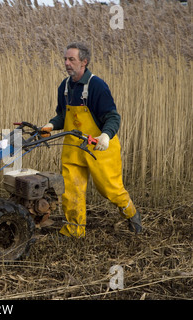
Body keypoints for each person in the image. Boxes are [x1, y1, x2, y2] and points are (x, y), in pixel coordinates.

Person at [41, 42, 142, 238]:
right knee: (71, 191)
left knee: (110, 190)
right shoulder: (65, 86)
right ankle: (74, 231)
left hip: (100, 147)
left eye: (72, 59)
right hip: (73, 148)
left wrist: (105, 136)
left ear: (84, 62)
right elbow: (63, 115)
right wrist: (50, 125)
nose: (67, 63)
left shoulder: (97, 86)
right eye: (65, 59)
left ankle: (132, 214)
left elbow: (112, 117)